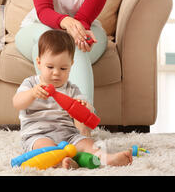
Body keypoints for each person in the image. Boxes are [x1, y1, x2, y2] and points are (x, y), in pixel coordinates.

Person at [12, 30, 132, 169]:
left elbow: (88, 112)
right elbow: (17, 103)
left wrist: (83, 107)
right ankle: (63, 161)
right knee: (45, 149)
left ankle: (107, 159)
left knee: (87, 143)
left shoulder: (72, 88)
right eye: (50, 67)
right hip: (38, 134)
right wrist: (32, 93)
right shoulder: (31, 84)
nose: (56, 73)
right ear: (39, 62)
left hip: (68, 135)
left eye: (63, 68)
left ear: (71, 65)